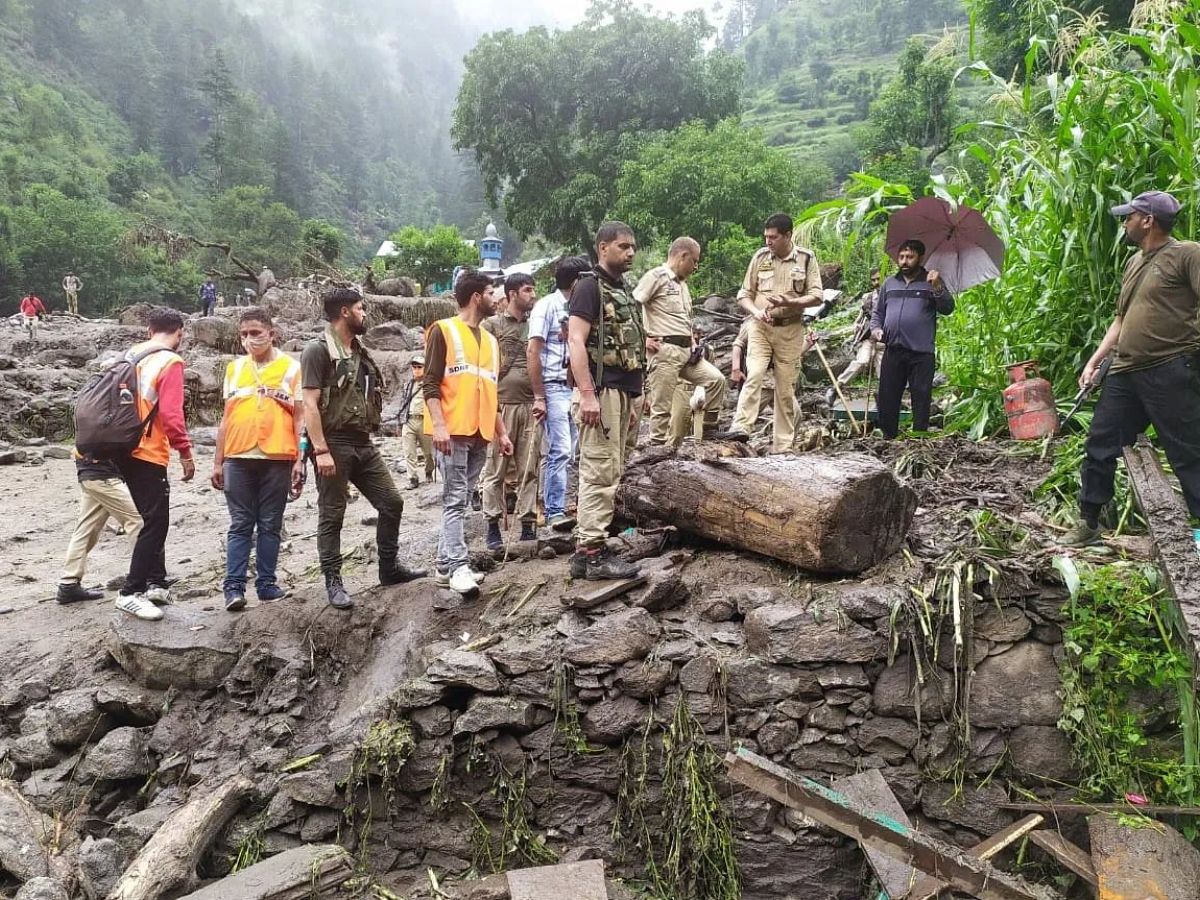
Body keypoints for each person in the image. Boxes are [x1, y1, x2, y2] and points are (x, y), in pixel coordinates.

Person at [1062, 190, 1200, 546]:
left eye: (1130, 217)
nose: (1125, 223)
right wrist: (1094, 361)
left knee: (1187, 451)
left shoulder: (1187, 254)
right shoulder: (1134, 262)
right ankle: (1089, 522)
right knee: (1101, 443)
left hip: (1169, 368)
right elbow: (1121, 319)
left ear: (1148, 220)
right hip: (1125, 371)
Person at [301, 287, 427, 609]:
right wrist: (320, 450)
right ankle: (333, 581)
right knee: (333, 514)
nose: (364, 313)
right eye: (360, 308)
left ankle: (388, 568)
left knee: (392, 502)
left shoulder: (358, 351)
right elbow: (310, 405)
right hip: (334, 442)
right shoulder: (318, 350)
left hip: (362, 442)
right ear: (345, 312)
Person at [423, 270, 514, 595]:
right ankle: (459, 566)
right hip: (453, 431)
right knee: (455, 499)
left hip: (479, 432)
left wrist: (501, 433)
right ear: (477, 297)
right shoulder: (443, 331)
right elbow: (430, 383)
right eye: (492, 293)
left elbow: (491, 390)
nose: (497, 299)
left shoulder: (490, 341)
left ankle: (443, 567)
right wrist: (440, 426)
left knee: (461, 498)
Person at [211, 309, 305, 611]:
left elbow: (300, 417)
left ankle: (266, 585)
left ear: (271, 333)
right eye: (244, 334)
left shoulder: (292, 368)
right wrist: (217, 461)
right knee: (240, 524)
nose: (249, 339)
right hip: (238, 456)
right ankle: (233, 589)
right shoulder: (234, 369)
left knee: (269, 524)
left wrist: (299, 460)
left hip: (277, 456)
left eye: (255, 333)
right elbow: (226, 418)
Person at [567, 221, 645, 581]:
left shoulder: (622, 289)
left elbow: (631, 346)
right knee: (599, 471)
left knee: (609, 470)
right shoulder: (588, 287)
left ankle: (586, 552)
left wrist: (635, 397)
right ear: (602, 248)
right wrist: (587, 395)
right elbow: (576, 342)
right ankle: (595, 556)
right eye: (623, 247)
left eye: (632, 247)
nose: (630, 253)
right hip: (601, 391)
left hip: (621, 392)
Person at [115, 307, 195, 621]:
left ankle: (154, 583)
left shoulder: (130, 355)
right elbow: (172, 416)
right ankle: (130, 592)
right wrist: (185, 452)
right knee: (155, 522)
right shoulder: (170, 361)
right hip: (147, 451)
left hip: (120, 447)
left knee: (149, 517)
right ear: (179, 333)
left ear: (149, 330)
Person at [725, 213, 824, 451]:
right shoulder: (759, 257)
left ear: (788, 235)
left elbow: (818, 296)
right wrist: (755, 312)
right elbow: (744, 295)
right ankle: (741, 428)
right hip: (760, 327)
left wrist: (791, 303)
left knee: (784, 388)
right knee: (756, 373)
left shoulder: (806, 259)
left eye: (774, 237)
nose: (768, 241)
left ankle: (783, 446)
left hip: (790, 330)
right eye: (766, 236)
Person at [634, 237, 727, 446]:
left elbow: (683, 319)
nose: (696, 266)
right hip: (665, 350)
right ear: (683, 256)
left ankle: (710, 428)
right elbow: (633, 305)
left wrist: (694, 346)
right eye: (694, 261)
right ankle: (656, 451)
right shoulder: (656, 276)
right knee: (662, 407)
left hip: (686, 351)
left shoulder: (683, 285)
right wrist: (644, 337)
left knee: (716, 380)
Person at [528, 256, 589, 532]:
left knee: (573, 449)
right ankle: (554, 510)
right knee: (560, 449)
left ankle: (562, 506)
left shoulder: (578, 307)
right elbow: (533, 350)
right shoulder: (546, 307)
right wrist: (539, 395)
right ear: (575, 280)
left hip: (572, 386)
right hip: (553, 385)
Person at [480, 273, 541, 550]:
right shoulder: (491, 325)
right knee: (496, 468)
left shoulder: (536, 325)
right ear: (513, 294)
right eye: (528, 290)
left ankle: (528, 525)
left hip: (531, 405)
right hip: (500, 406)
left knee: (530, 467)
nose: (533, 295)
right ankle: (492, 526)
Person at [870, 240, 954, 439]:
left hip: (921, 353)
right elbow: (878, 313)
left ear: (920, 258)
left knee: (921, 398)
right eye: (901, 257)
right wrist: (875, 329)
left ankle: (918, 439)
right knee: (888, 396)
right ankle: (888, 438)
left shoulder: (931, 281)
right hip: (893, 350)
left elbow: (948, 308)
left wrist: (938, 287)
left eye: (910, 257)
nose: (904, 261)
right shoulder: (889, 283)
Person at [57, 452, 143, 605]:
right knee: (137, 522)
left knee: (86, 529)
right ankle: (145, 578)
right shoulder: (102, 427)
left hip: (91, 475)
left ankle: (68, 583)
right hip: (104, 476)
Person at [828, 268, 884, 406]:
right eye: (873, 280)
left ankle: (884, 399)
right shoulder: (868, 298)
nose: (876, 282)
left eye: (878, 279)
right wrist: (856, 325)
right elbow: (860, 318)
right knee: (861, 361)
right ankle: (836, 388)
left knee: (884, 372)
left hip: (884, 341)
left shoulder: (891, 297)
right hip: (869, 338)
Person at [400, 354, 435, 488]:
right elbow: (403, 402)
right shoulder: (408, 384)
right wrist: (401, 421)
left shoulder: (429, 384)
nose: (416, 370)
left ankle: (428, 472)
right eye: (414, 367)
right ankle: (412, 478)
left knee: (429, 453)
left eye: (419, 367)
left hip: (425, 421)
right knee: (409, 451)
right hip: (409, 420)